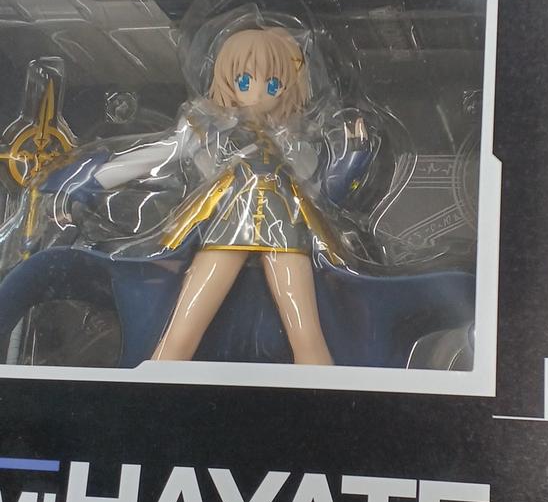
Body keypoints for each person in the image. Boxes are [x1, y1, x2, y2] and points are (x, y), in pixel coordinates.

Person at [46, 23, 371, 365]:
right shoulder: (210, 130)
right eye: (244, 81)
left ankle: (322, 383)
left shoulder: (292, 142)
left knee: (305, 329)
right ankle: (160, 375)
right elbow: (161, 153)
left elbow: (319, 192)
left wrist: (352, 159)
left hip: (285, 227)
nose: (258, 92)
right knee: (186, 321)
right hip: (228, 225)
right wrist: (92, 178)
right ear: (227, 80)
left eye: (273, 84)